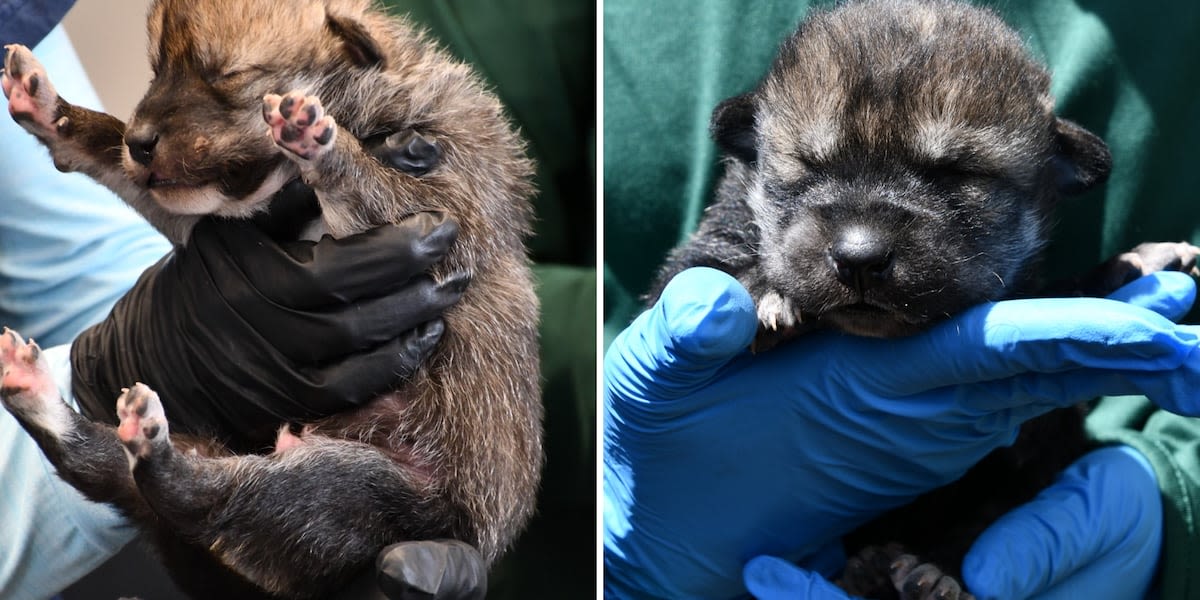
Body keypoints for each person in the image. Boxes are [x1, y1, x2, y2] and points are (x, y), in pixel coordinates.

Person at [602, 0, 1200, 598]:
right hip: (696, 537)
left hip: (965, 520)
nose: (859, 243)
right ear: (754, 150)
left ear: (1055, 172)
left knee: (1040, 424)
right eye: (808, 167)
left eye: (955, 175)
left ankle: (916, 574)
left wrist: (1175, 512)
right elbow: (672, 301)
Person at [1, 1, 596, 599]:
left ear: (353, 55)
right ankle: (85, 431)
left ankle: (127, 452)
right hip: (279, 456)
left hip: (421, 472)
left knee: (226, 483)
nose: (147, 121)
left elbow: (76, 260)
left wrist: (333, 169)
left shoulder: (438, 130)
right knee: (165, 480)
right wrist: (116, 364)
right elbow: (184, 232)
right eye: (161, 73)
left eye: (226, 80)